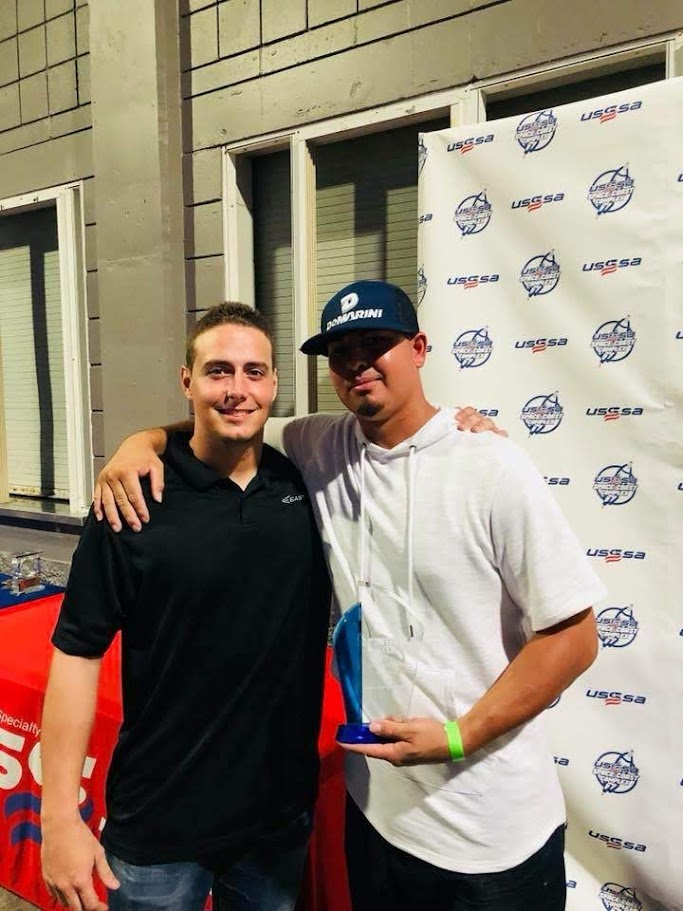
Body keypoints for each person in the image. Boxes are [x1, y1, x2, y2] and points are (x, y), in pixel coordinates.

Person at [94, 280, 605, 911]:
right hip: (377, 819)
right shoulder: (319, 445)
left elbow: (574, 638)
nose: (359, 363)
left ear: (419, 349)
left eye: (377, 343)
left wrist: (459, 736)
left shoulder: (491, 467)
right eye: (342, 352)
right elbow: (225, 417)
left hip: (488, 834)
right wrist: (139, 442)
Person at [40, 304, 331, 911]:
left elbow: (397, 441)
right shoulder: (133, 497)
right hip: (158, 824)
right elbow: (77, 654)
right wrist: (58, 816)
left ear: (274, 384)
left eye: (254, 372)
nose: (237, 389)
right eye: (218, 371)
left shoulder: (305, 482)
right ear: (187, 381)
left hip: (275, 821)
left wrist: (464, 429)